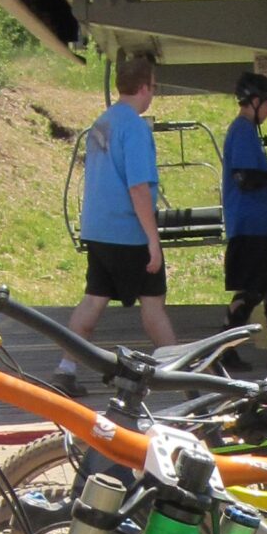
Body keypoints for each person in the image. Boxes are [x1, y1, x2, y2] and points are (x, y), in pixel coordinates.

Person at [55, 51, 175, 389]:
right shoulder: (134, 128)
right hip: (129, 231)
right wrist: (153, 240)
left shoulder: (101, 123)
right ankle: (180, 373)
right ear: (142, 88)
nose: (153, 93)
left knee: (94, 298)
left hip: (98, 229)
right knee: (153, 304)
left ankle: (65, 368)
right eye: (152, 86)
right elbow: (138, 186)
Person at [221, 70, 267, 367]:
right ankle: (222, 350)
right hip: (249, 227)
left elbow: (258, 172)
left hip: (262, 227)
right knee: (252, 290)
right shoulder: (241, 130)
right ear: (254, 101)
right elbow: (246, 178)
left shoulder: (249, 133)